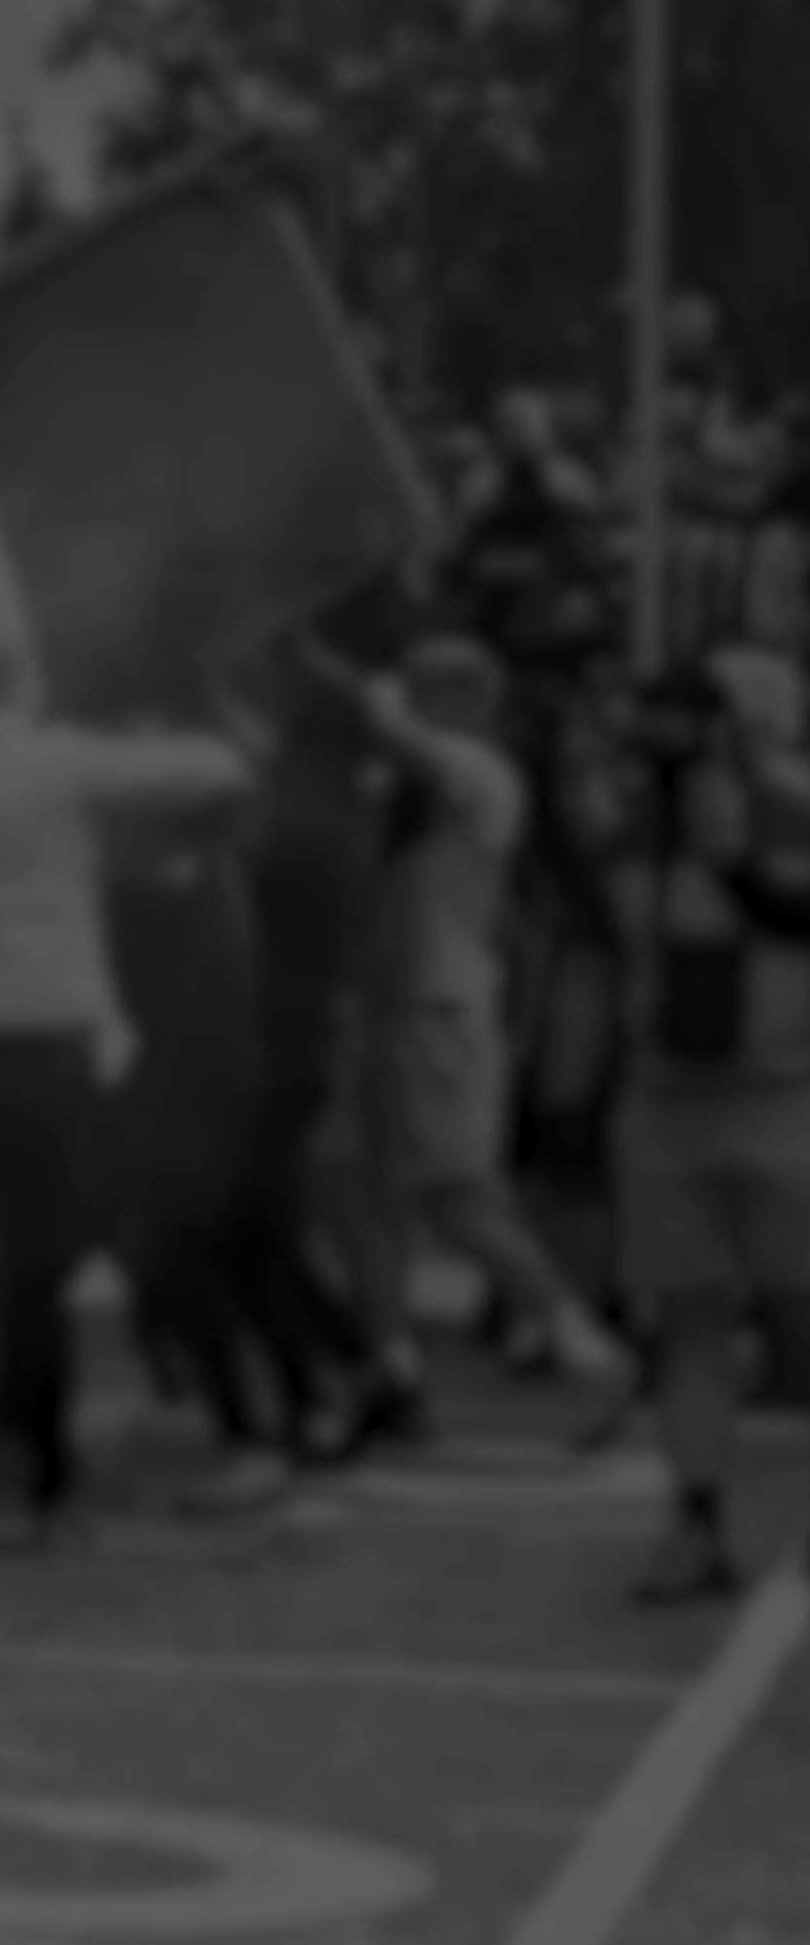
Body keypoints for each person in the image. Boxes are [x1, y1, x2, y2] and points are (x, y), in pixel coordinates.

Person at [0, 639, 256, 1541]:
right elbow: (216, 768)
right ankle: (42, 1469)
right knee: (41, 1257)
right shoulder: (58, 764)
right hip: (48, 1047)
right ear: (20, 694)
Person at [312, 634, 624, 1443]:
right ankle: (394, 1370)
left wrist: (337, 672)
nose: (415, 699)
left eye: (432, 688)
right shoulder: (399, 789)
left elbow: (394, 734)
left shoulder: (483, 777)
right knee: (355, 1193)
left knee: (456, 1201)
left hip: (439, 1015)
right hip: (381, 1012)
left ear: (473, 700)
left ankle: (582, 1344)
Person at [585, 665, 810, 1601]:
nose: (665, 738)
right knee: (689, 1320)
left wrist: (733, 860)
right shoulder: (626, 824)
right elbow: (611, 954)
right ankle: (697, 1518)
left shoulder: (795, 805)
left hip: (788, 1094)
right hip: (665, 1100)